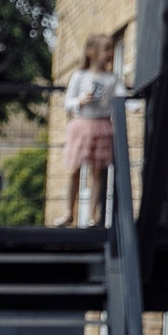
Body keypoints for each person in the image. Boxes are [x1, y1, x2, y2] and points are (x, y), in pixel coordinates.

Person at [60, 35, 122, 227]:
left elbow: (122, 97)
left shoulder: (112, 79)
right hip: (82, 124)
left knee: (97, 172)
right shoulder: (79, 76)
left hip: (103, 125)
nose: (110, 53)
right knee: (74, 169)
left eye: (111, 49)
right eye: (106, 49)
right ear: (91, 52)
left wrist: (132, 105)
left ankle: (91, 216)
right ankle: (68, 212)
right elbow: (67, 102)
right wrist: (80, 101)